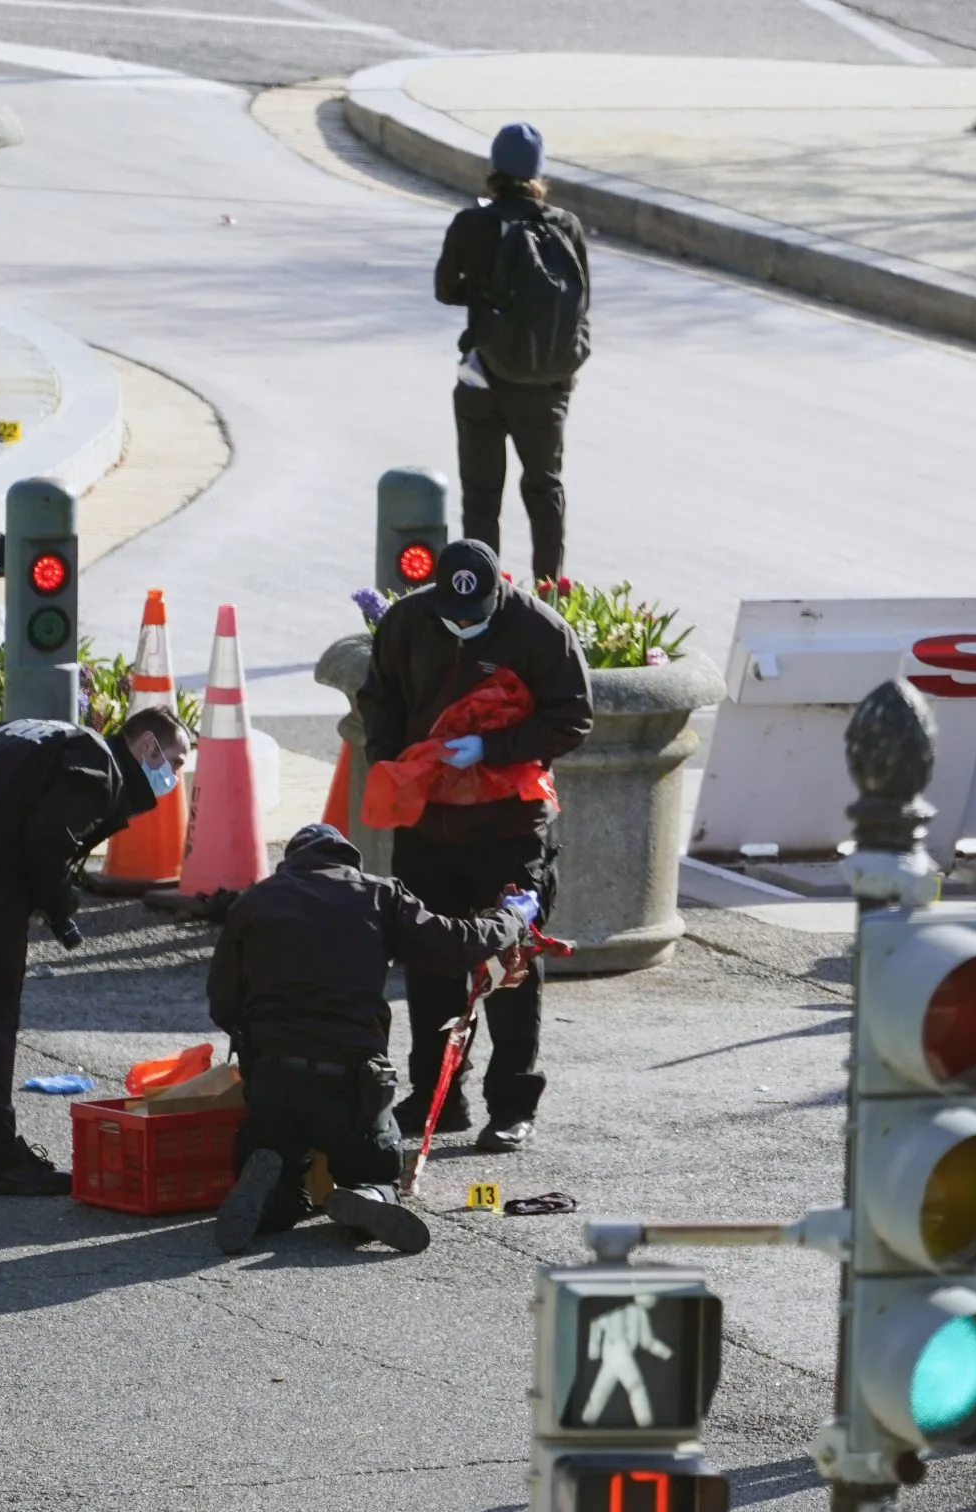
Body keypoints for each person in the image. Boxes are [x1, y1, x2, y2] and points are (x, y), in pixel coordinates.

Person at [0, 708, 195, 1195]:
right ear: (148, 745)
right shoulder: (97, 765)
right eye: (174, 761)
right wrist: (60, 903)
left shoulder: (45, 734)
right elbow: (48, 841)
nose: (174, 777)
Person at [206, 824, 536, 1255]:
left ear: (291, 861)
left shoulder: (255, 900)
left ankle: (271, 1191)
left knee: (275, 1159)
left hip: (273, 1074)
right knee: (376, 1165)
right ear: (348, 858)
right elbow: (456, 945)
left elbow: (222, 1002)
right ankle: (369, 1195)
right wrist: (511, 916)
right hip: (351, 1079)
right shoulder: (379, 894)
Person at [357, 538, 589, 1152]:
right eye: (453, 619)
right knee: (430, 960)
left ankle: (511, 1105)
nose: (464, 626)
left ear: (497, 595)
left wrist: (495, 748)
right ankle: (436, 1094)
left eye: (477, 618)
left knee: (512, 966)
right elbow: (378, 699)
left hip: (508, 831)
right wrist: (394, 760)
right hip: (428, 824)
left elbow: (573, 716)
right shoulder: (408, 621)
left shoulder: (540, 631)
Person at [434, 121, 591, 586]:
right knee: (545, 489)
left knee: (482, 498)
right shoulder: (566, 226)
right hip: (547, 385)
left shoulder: (472, 223)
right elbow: (580, 301)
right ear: (539, 175)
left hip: (483, 378)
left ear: (494, 169)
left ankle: (484, 596)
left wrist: (487, 300)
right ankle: (549, 596)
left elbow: (445, 290)